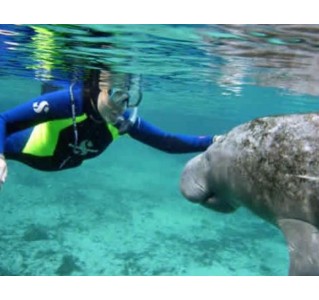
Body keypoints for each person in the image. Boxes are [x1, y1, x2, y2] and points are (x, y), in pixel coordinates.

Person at [0, 70, 213, 188]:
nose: (120, 105)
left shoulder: (122, 120)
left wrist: (214, 141)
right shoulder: (69, 102)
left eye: (128, 98)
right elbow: (4, 120)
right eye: (115, 93)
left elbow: (167, 142)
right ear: (99, 86)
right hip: (23, 149)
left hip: (56, 162)